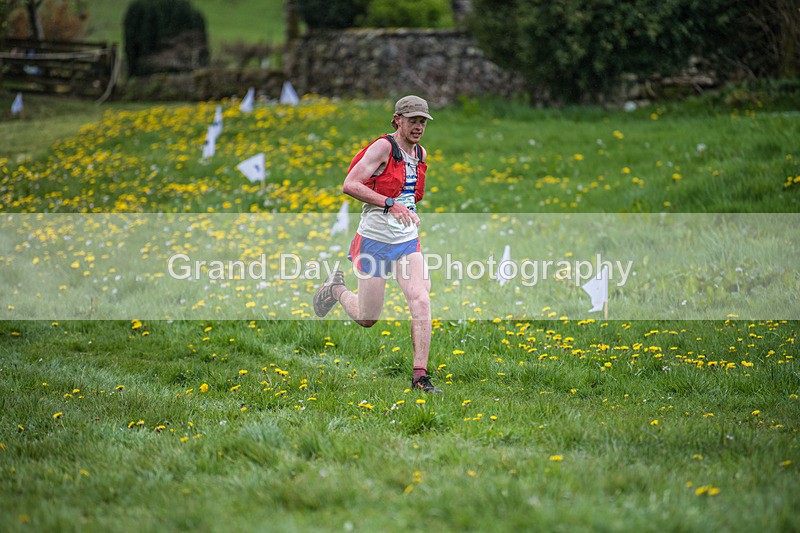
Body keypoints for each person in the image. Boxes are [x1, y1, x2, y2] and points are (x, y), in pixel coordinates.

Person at [313, 95, 441, 393]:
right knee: (368, 317)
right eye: (413, 120)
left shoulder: (420, 153)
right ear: (398, 120)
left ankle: (420, 377)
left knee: (421, 300)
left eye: (423, 121)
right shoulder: (384, 147)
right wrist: (389, 203)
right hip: (373, 242)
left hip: (406, 244)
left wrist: (405, 210)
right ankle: (336, 289)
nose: (418, 126)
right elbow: (350, 184)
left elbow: (411, 196)